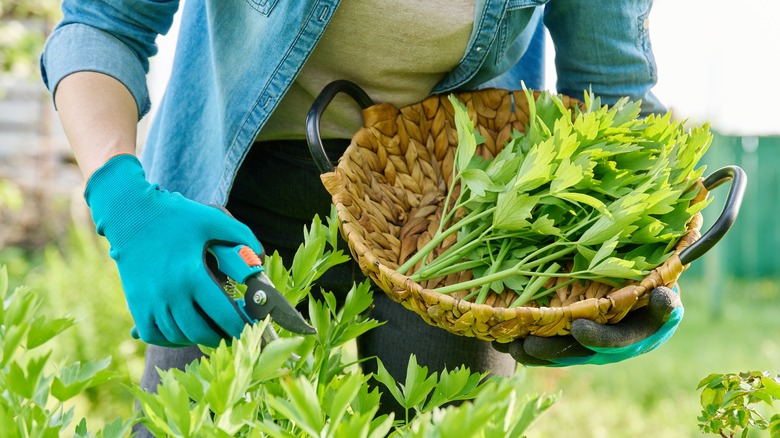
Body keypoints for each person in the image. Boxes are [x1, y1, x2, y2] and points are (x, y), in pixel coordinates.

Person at [41, 0, 682, 422]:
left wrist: (641, 272)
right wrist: (124, 199)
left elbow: (614, 94)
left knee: (442, 425)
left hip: (459, 217)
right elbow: (102, 21)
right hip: (234, 196)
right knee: (200, 423)